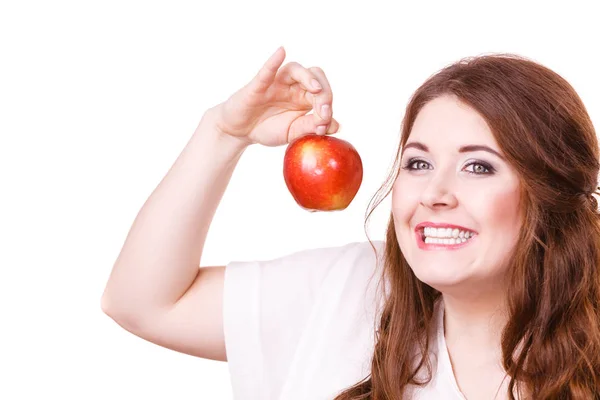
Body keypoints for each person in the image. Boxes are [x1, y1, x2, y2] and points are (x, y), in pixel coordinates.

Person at [101, 46, 600, 399]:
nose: (434, 194)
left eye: (479, 166)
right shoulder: (347, 289)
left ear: (552, 192)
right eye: (418, 163)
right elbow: (141, 303)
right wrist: (223, 133)